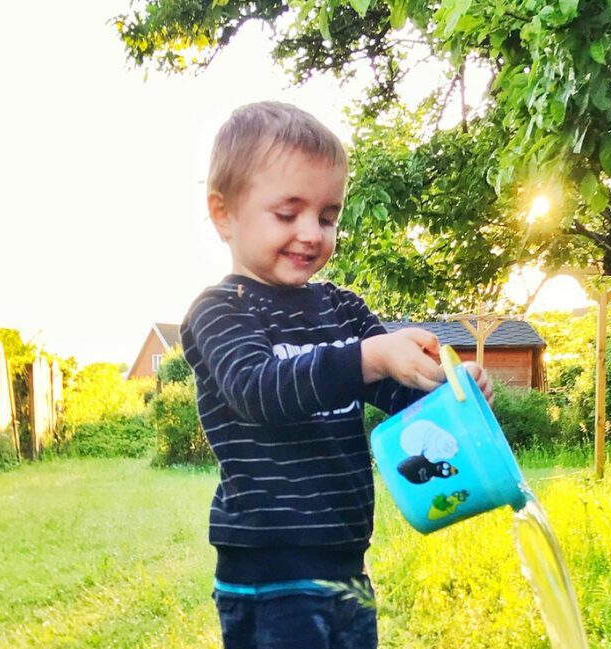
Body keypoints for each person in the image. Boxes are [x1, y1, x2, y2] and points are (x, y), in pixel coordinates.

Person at [180, 101, 493, 649]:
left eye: (328, 216)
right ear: (223, 213)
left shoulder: (343, 311)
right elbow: (258, 390)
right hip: (269, 572)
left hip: (348, 560)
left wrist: (449, 386)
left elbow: (397, 392)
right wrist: (370, 356)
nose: (311, 233)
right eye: (288, 213)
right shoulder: (220, 311)